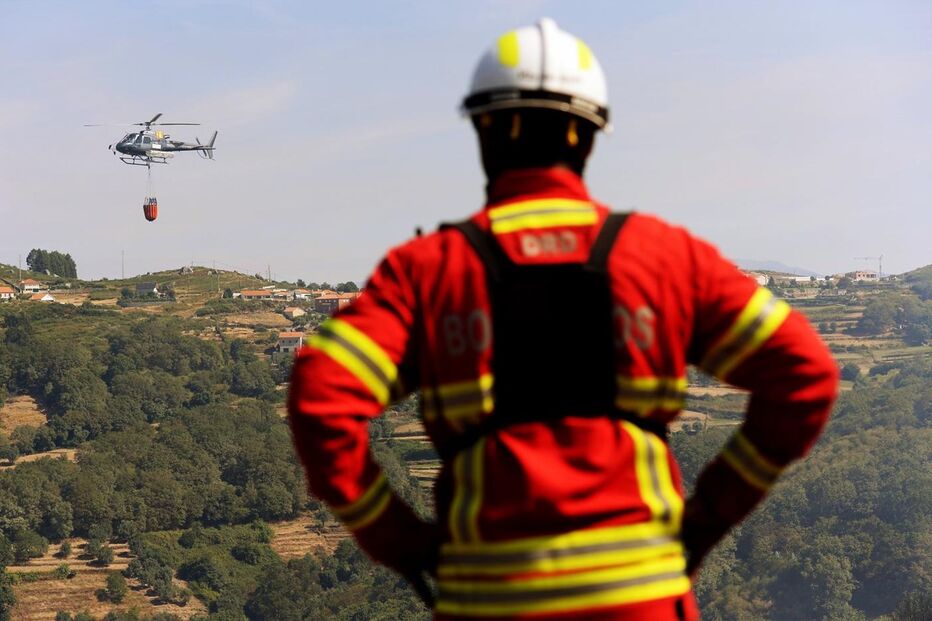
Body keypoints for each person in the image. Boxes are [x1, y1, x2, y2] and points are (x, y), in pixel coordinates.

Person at [288, 18, 838, 620]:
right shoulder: (662, 258)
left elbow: (321, 392)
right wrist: (704, 520)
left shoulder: (431, 270)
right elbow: (805, 372)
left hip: (488, 601)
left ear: (483, 130)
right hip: (642, 597)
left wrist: (394, 536)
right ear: (589, 135)